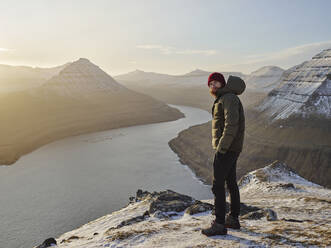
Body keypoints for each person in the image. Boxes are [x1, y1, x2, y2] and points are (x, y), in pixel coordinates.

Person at [201, 72, 246, 236]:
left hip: (226, 149)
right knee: (231, 182)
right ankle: (233, 218)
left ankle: (219, 223)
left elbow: (231, 125)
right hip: (232, 148)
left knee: (218, 185)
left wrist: (221, 147)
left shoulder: (228, 98)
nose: (212, 85)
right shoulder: (225, 97)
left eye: (216, 83)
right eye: (210, 83)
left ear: (222, 84)